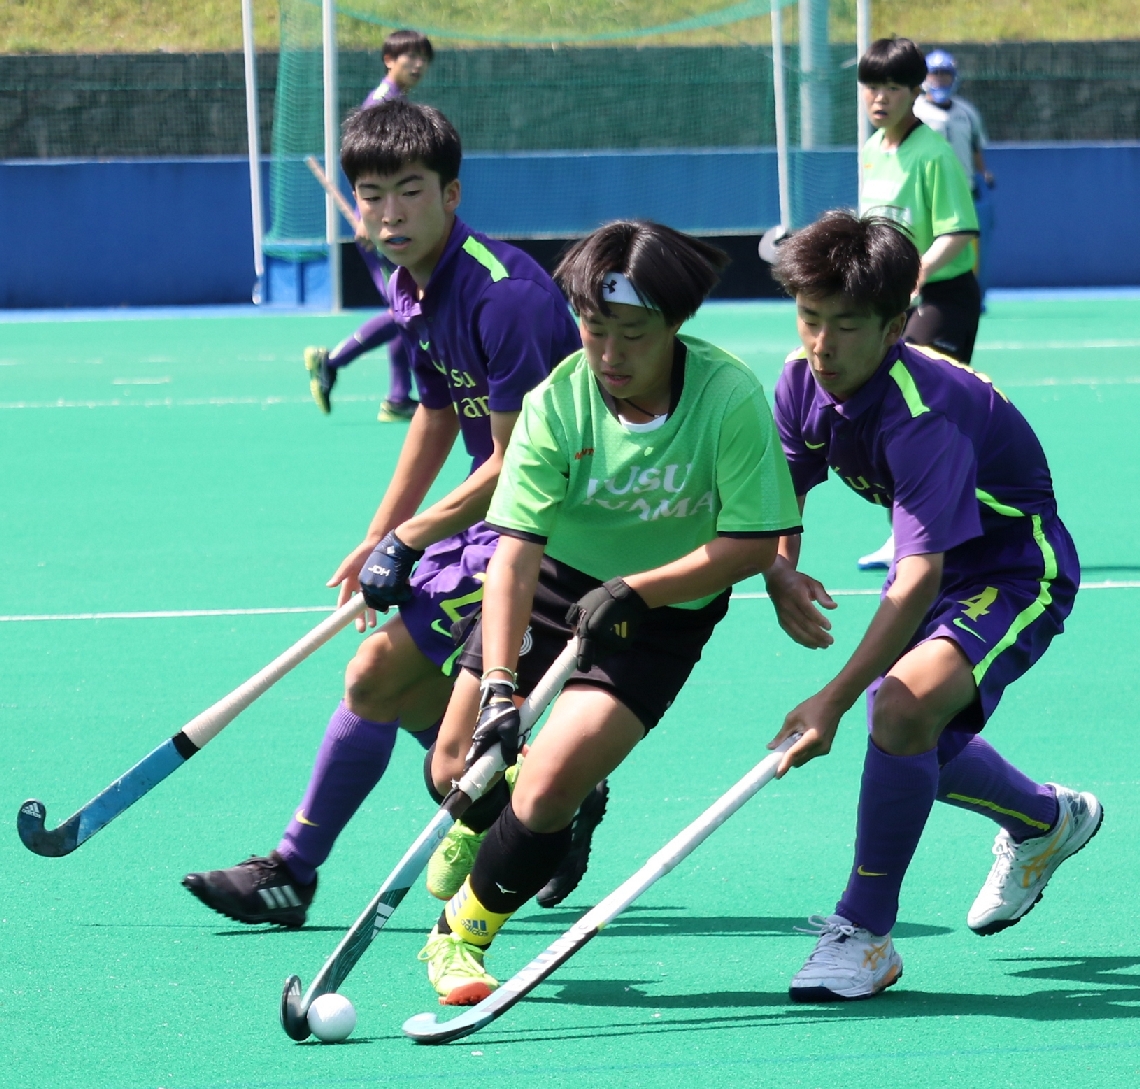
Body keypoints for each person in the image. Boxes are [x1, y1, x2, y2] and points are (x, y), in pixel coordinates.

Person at [182, 99, 591, 927]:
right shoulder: (413, 288)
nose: (390, 212)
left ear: (452, 192)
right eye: (372, 195)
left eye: (410, 190)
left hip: (556, 528)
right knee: (395, 687)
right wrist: (379, 532)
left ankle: (301, 866)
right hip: (489, 515)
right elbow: (439, 413)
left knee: (379, 680)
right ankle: (547, 786)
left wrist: (409, 538)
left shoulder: (502, 297)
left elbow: (522, 466)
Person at [414, 219, 803, 1006]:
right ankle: (537, 796)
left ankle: (459, 934)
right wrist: (497, 686)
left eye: (634, 333)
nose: (611, 356)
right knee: (454, 765)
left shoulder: (727, 398)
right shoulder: (557, 400)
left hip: (664, 607)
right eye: (595, 330)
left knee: (547, 779)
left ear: (675, 324)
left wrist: (638, 589)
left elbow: (752, 541)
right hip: (554, 583)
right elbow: (516, 551)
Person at [765, 211, 1101, 1003]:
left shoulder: (923, 415)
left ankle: (867, 933)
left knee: (899, 710)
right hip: (940, 562)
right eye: (811, 319)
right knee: (914, 734)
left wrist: (830, 701)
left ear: (893, 327)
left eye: (846, 326)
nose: (822, 344)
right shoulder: (798, 379)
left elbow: (914, 578)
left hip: (1017, 569)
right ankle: (1046, 820)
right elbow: (785, 489)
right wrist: (780, 568)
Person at [855, 36, 982, 571]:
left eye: (892, 87)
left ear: (914, 92)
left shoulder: (935, 156)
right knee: (889, 411)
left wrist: (915, 273)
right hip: (893, 302)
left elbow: (960, 233)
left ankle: (944, 530)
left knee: (917, 405)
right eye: (871, 86)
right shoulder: (870, 151)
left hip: (941, 299)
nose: (879, 98)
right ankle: (907, 531)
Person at [305, 29, 434, 423]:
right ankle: (333, 362)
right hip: (381, 227)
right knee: (405, 309)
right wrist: (366, 217)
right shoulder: (380, 105)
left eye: (422, 57)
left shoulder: (396, 103)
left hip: (385, 222)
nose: (417, 64)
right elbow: (366, 165)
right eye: (408, 56)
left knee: (403, 305)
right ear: (388, 59)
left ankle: (398, 397)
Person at [914, 49, 996, 300]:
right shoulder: (915, 110)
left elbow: (974, 147)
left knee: (968, 243)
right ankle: (920, 289)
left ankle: (972, 293)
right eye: (935, 74)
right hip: (928, 191)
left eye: (945, 75)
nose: (940, 80)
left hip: (964, 189)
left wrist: (984, 172)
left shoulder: (967, 112)